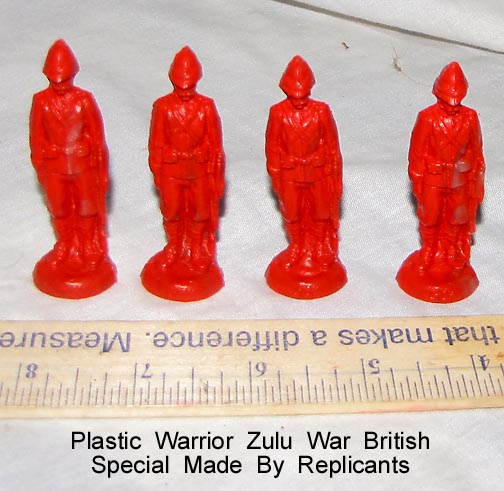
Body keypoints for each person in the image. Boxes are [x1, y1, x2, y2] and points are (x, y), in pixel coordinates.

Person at [29, 39, 116, 298]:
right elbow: (36, 138)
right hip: (55, 168)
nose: (60, 85)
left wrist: (100, 169)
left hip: (82, 167)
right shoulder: (41, 101)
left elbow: (97, 138)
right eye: (55, 80)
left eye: (64, 79)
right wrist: (42, 166)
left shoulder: (84, 100)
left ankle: (88, 247)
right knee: (60, 209)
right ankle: (66, 245)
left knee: (87, 209)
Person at [397, 61, 485, 303]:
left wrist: (475, 180)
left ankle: (450, 253)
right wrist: (418, 181)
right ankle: (430, 251)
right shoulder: (427, 118)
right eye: (448, 100)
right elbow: (417, 153)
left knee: (456, 219)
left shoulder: (470, 118)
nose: (453, 106)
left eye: (457, 100)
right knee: (430, 216)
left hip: (459, 180)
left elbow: (476, 152)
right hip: (433, 179)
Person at [142, 46, 225, 301]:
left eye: (189, 86)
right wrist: (160, 167)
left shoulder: (206, 107)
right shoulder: (162, 106)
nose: (186, 91)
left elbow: (216, 145)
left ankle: (197, 249)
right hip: (172, 171)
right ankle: (175, 246)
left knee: (199, 212)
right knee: (172, 211)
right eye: (181, 85)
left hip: (198, 172)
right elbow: (156, 142)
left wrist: (212, 168)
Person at [265, 55, 346, 299]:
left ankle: (319, 248)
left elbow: (332, 146)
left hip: (317, 174)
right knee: (293, 213)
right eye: (294, 95)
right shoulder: (278, 113)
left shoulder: (321, 111)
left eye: (302, 94)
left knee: (320, 213)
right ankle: (298, 247)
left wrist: (333, 175)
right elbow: (272, 148)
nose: (299, 100)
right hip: (291, 175)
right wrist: (277, 174)